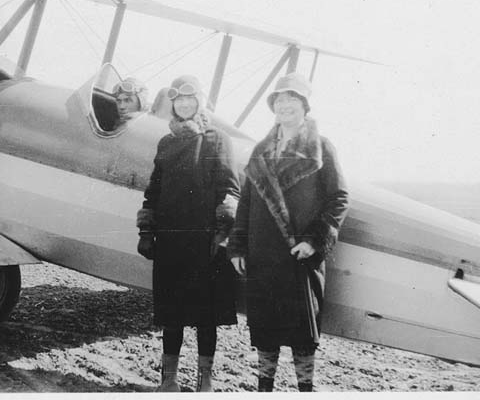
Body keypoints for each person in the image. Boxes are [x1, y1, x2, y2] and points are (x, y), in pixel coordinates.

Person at [227, 72, 349, 392]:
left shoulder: (321, 148)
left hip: (301, 256)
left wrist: (315, 241)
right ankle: (264, 391)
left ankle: (304, 392)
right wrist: (238, 246)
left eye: (292, 101)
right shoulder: (261, 151)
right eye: (280, 101)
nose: (285, 106)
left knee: (302, 336)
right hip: (263, 254)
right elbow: (246, 202)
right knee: (265, 331)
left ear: (305, 107)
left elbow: (339, 199)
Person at [136, 75, 240, 392]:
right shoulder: (166, 143)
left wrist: (221, 237)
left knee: (205, 317)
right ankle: (169, 382)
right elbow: (154, 190)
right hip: (171, 242)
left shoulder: (216, 140)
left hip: (206, 244)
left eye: (189, 98)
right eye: (178, 99)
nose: (183, 104)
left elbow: (229, 191)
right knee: (173, 314)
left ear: (200, 102)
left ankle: (204, 383)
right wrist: (146, 230)